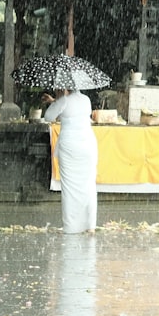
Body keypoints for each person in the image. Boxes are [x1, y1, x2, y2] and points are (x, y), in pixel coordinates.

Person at [43, 88, 98, 234]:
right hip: (88, 145)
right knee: (89, 185)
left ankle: (71, 227)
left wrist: (58, 100)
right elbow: (73, 111)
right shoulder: (86, 99)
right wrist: (57, 101)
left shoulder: (63, 101)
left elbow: (48, 117)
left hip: (70, 146)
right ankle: (90, 225)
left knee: (69, 187)